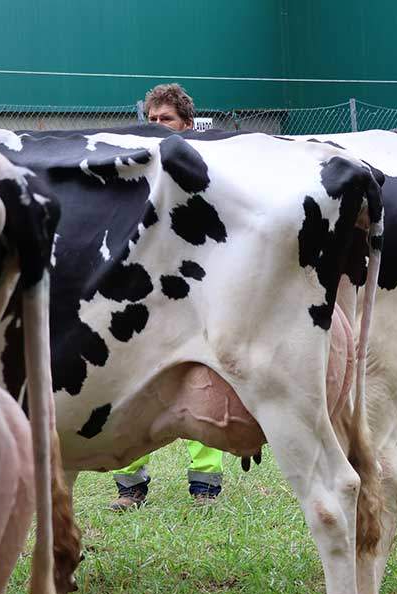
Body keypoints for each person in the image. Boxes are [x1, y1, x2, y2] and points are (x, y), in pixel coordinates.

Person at [109, 82, 225, 511]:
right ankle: (130, 485)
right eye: (152, 119)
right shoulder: (135, 169)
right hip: (143, 295)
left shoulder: (208, 171)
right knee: (129, 383)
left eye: (166, 120)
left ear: (188, 126)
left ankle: (205, 485)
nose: (157, 127)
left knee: (201, 380)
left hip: (194, 294)